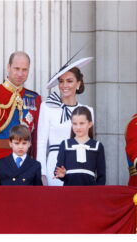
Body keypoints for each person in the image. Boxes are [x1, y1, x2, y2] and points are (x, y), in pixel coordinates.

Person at [0, 51, 41, 185]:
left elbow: (36, 136)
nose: (20, 74)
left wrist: (35, 164)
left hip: (24, 167)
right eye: (16, 69)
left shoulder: (34, 98)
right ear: (8, 67)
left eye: (24, 70)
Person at [37, 57, 94, 186]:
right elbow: (41, 143)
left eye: (69, 81)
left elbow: (90, 146)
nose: (64, 85)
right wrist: (42, 173)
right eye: (61, 81)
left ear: (78, 84)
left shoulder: (88, 111)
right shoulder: (47, 107)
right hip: (54, 165)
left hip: (80, 166)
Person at [54, 106, 105, 186]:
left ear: (90, 124)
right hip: (69, 191)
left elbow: (101, 176)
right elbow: (58, 169)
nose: (78, 127)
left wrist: (98, 193)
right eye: (75, 124)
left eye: (82, 123)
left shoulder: (98, 146)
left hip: (90, 192)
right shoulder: (65, 144)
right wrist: (61, 175)